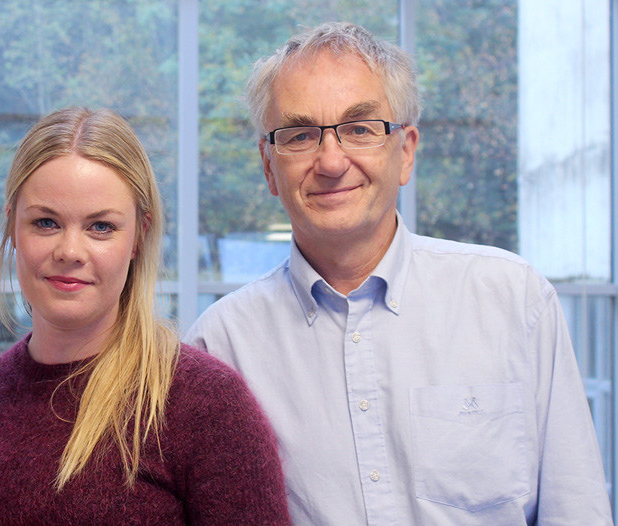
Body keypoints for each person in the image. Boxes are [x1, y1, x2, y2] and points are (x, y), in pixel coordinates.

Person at [185, 21, 613, 525]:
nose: (330, 160)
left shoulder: (513, 300)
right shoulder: (220, 348)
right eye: (300, 135)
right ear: (267, 166)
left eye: (359, 129)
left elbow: (577, 511)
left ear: (405, 151)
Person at [0, 107, 288, 524]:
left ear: (138, 236)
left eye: (100, 227)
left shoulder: (204, 404)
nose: (69, 251)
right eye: (45, 222)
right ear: (12, 229)